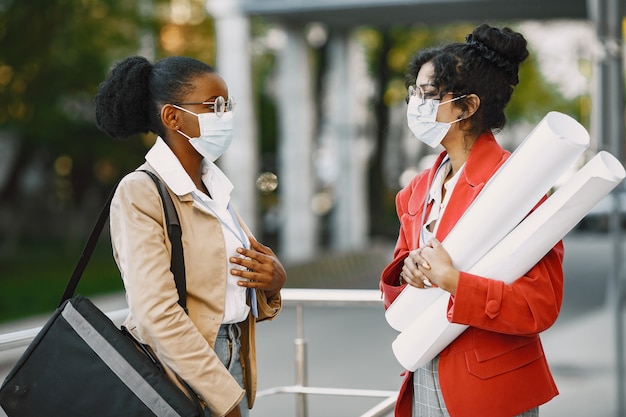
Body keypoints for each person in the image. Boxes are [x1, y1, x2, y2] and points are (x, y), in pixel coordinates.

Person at [380, 24, 564, 417]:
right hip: (425, 370)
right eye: (415, 92)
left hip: (493, 387)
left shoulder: (518, 185)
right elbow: (394, 283)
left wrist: (454, 282)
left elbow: (539, 306)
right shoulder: (415, 191)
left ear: (467, 107)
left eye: (428, 95)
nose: (415, 104)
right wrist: (407, 270)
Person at [94, 55, 286, 417]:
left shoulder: (214, 188)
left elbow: (231, 283)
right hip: (182, 369)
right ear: (172, 117)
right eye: (214, 105)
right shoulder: (141, 191)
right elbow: (156, 313)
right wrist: (223, 396)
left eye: (228, 104)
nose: (226, 114)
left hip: (233, 355)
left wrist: (273, 282)